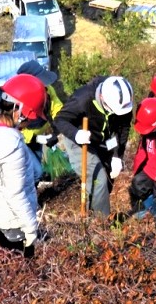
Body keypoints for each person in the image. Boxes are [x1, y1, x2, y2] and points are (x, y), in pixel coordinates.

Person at [0, 74, 47, 256]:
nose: (29, 124)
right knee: (23, 270)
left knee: (6, 258)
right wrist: (30, 230)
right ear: (18, 113)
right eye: (30, 118)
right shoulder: (12, 149)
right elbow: (15, 195)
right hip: (14, 220)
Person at [55, 75, 134, 216]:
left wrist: (117, 156)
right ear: (103, 99)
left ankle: (93, 210)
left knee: (108, 178)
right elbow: (60, 120)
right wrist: (76, 134)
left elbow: (123, 127)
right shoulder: (82, 99)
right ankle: (100, 224)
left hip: (103, 139)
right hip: (79, 140)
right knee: (99, 180)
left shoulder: (123, 103)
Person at [16, 59, 63, 184]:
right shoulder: (18, 98)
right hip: (20, 140)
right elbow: (12, 126)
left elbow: (58, 109)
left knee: (35, 171)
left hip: (37, 137)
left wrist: (56, 132)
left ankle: (34, 198)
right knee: (36, 172)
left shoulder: (48, 90)